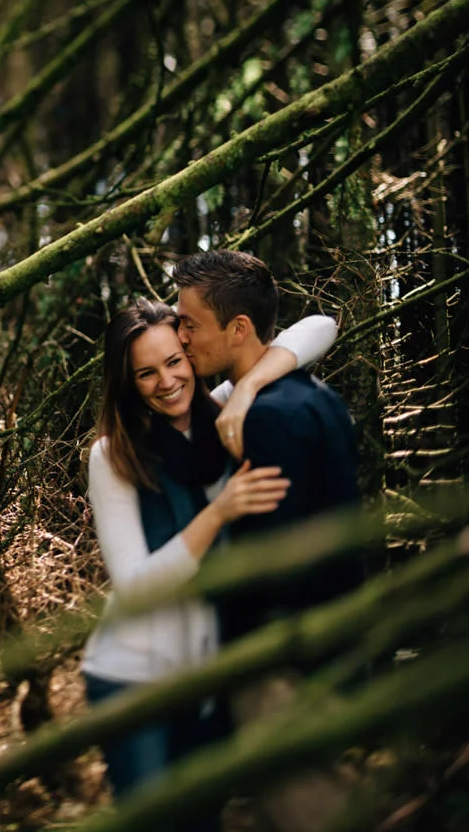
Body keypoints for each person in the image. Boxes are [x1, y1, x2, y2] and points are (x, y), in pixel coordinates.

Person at [81, 297, 337, 826]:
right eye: (146, 373)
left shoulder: (219, 413)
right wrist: (217, 513)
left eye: (175, 361)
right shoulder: (113, 455)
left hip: (206, 673)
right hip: (133, 678)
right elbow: (135, 588)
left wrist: (246, 386)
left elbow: (321, 327)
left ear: (190, 353)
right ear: (127, 382)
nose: (167, 381)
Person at [172, 250, 361, 832]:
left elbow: (274, 559)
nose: (181, 339)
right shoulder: (316, 397)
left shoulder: (262, 418)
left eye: (190, 324)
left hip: (283, 662)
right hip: (332, 641)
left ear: (239, 328)